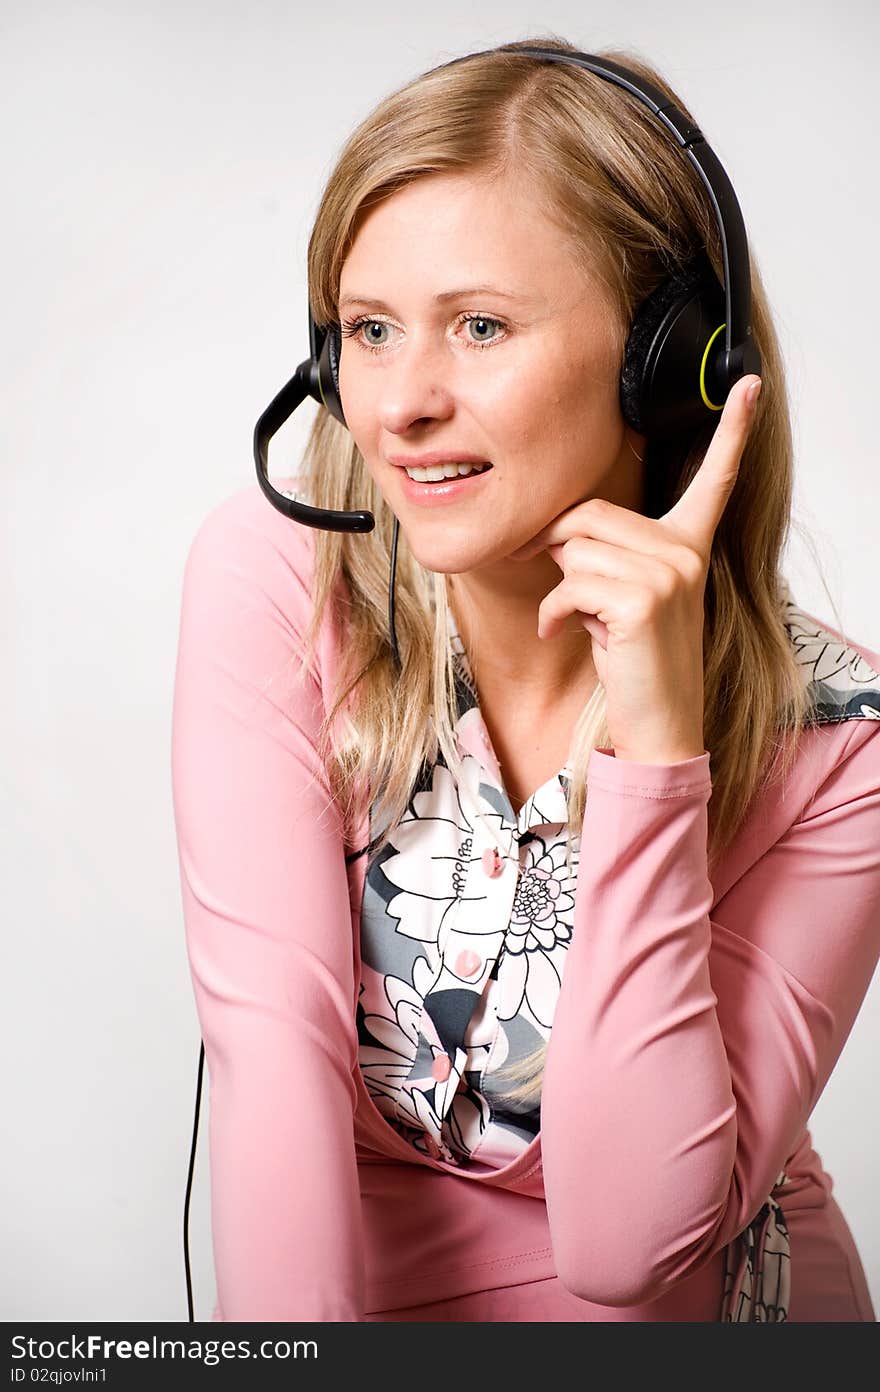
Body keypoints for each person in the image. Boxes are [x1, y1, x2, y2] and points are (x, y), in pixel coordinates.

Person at [170, 36, 880, 1321]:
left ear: (667, 366)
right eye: (370, 332)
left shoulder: (842, 741)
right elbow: (270, 1062)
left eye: (480, 326)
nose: (398, 406)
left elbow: (628, 1251)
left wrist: (655, 757)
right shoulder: (280, 584)